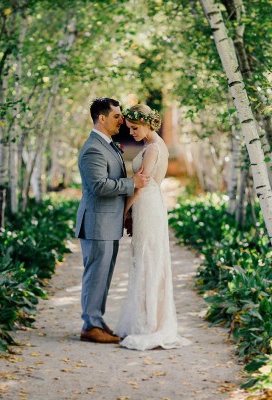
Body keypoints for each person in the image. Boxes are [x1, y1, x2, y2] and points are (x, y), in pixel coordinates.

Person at [115, 104, 191, 351]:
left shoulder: (153, 148)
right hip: (150, 204)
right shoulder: (154, 145)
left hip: (146, 203)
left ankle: (149, 325)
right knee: (145, 258)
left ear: (148, 124)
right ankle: (147, 318)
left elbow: (141, 184)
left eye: (135, 128)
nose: (132, 133)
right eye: (129, 128)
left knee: (148, 258)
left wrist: (124, 211)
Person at [76, 98, 150, 344]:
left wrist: (126, 213)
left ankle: (96, 320)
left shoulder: (107, 144)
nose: (122, 120)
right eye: (117, 116)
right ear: (102, 118)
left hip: (109, 222)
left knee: (104, 274)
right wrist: (133, 184)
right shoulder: (93, 149)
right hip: (97, 223)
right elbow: (98, 186)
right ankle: (90, 325)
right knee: (96, 274)